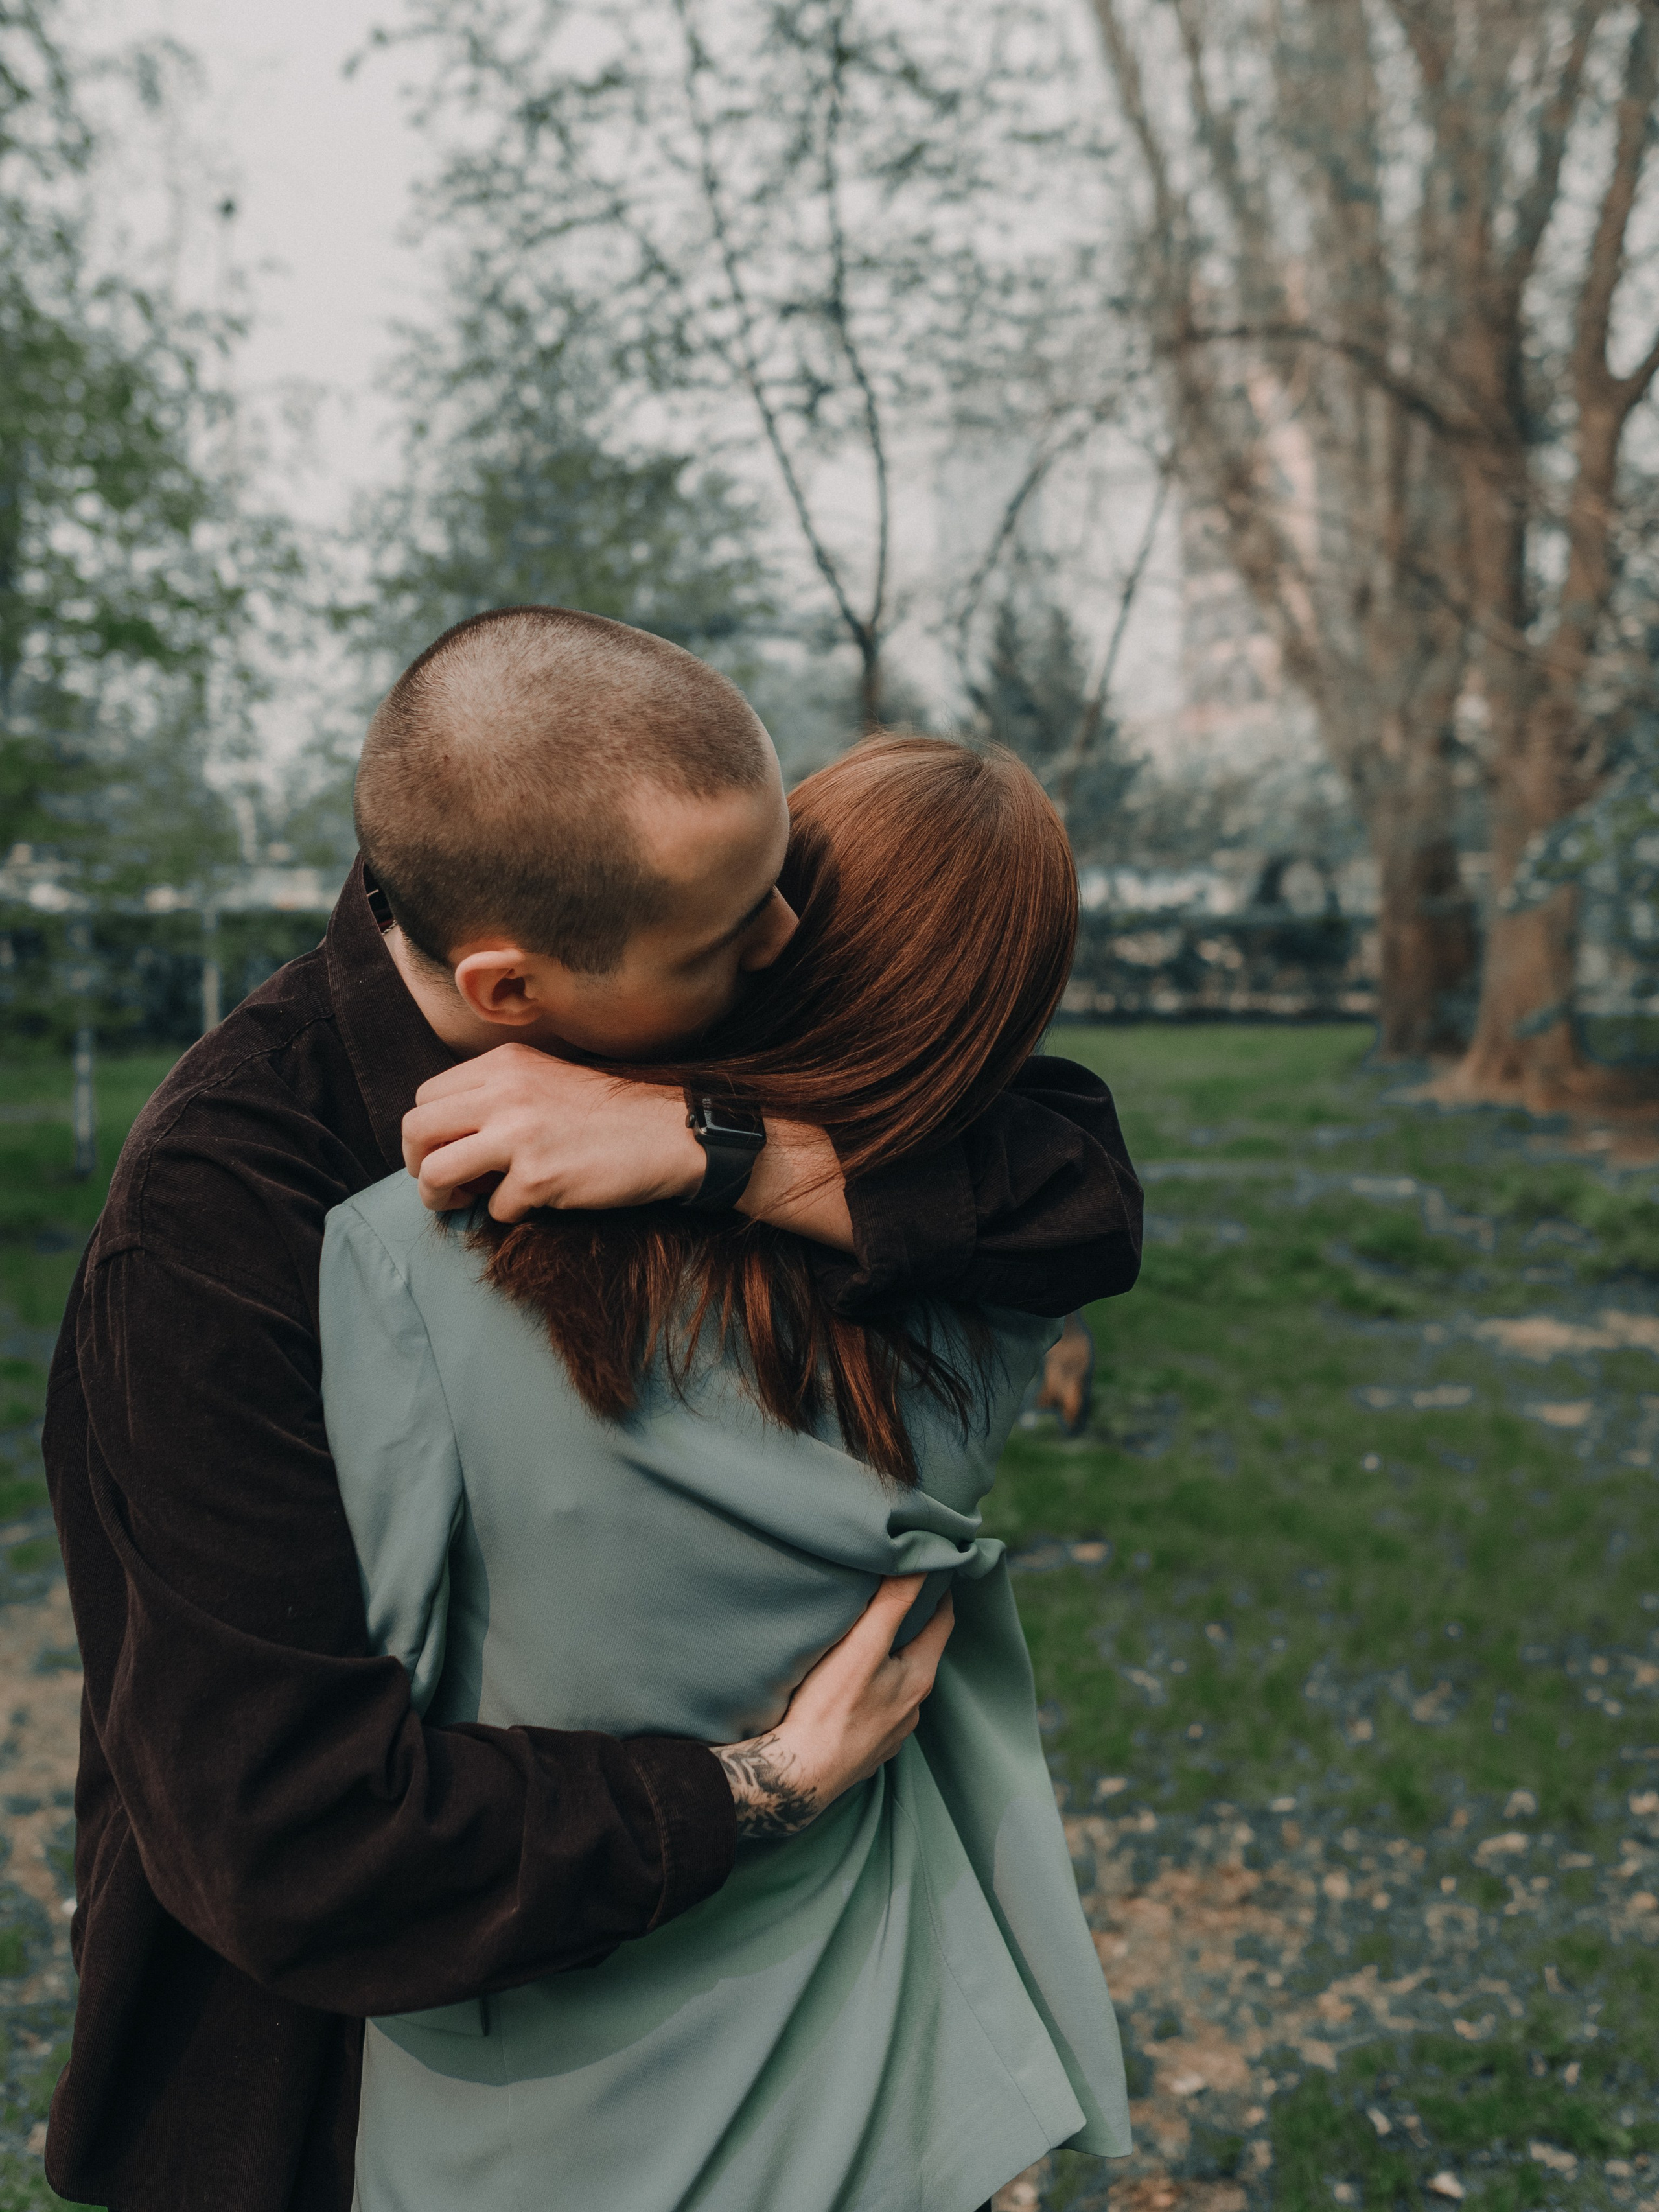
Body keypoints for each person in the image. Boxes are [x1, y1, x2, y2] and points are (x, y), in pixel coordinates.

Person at [43, 607, 1141, 2212]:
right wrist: (764, 1781)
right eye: (729, 938)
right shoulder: (221, 1226)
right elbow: (287, 1834)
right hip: (319, 2092)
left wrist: (721, 1144)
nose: (787, 942)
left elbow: (1072, 1184)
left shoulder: (670, 982)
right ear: (511, 986)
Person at [323, 728, 1133, 2211]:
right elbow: (1071, 1167)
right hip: (870, 2062)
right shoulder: (992, 1298)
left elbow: (370, 1664)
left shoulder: (407, 1249)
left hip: (530, 2075)